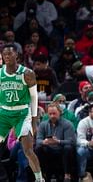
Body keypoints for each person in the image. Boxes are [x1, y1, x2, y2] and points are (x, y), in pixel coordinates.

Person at [0, 44, 45, 182]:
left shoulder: (27, 73)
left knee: (27, 150)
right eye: (4, 54)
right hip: (4, 113)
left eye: (10, 54)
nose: (7, 56)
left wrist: (34, 121)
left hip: (22, 113)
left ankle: (39, 179)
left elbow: (33, 98)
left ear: (17, 56)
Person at [35, 103, 76, 182]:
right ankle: (42, 175)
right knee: (38, 147)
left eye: (54, 113)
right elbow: (38, 140)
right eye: (50, 114)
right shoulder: (43, 124)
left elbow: (71, 141)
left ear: (60, 113)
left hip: (62, 149)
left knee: (68, 147)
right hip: (49, 149)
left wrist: (58, 141)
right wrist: (44, 142)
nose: (52, 116)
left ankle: (67, 175)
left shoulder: (67, 124)